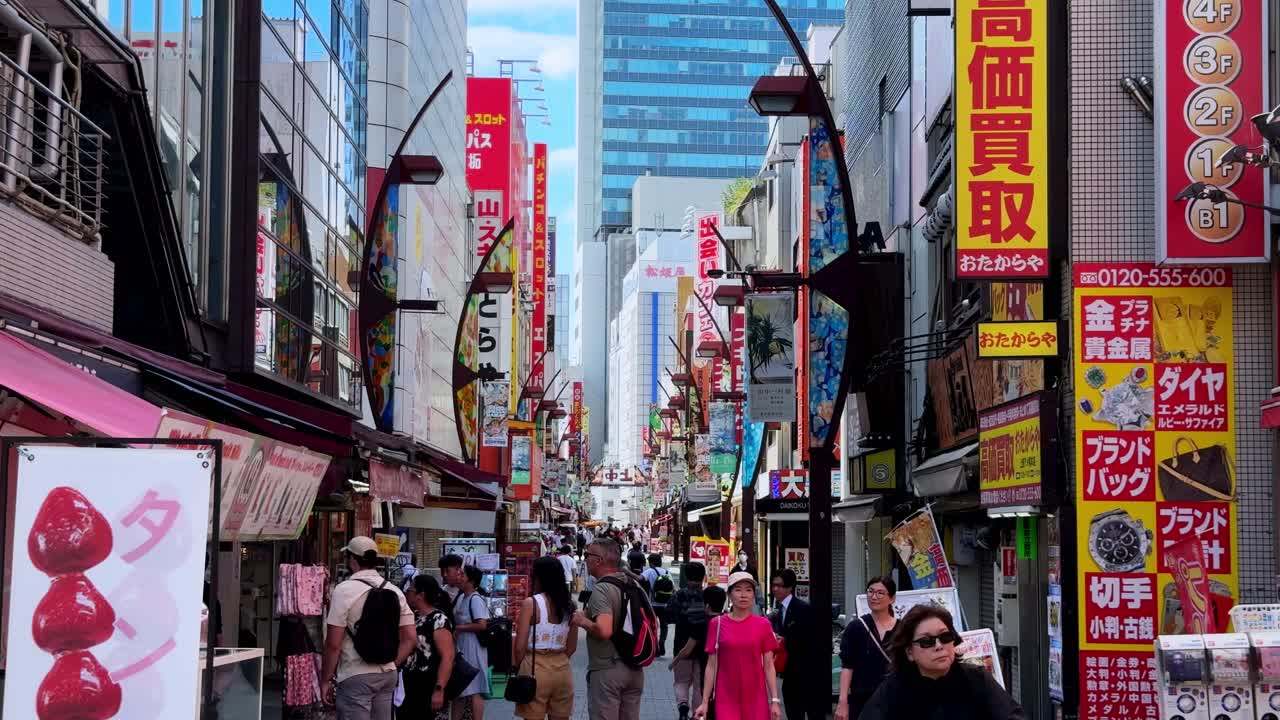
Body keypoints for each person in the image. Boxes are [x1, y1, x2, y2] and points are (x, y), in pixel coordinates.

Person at [859, 606, 1024, 720]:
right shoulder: (894, 688)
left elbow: (1013, 716)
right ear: (909, 652)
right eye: (926, 641)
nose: (938, 646)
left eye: (945, 637)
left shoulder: (976, 679)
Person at [320, 537, 416, 720]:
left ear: (352, 560)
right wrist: (391, 664)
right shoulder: (394, 591)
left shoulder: (343, 590)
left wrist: (325, 680)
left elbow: (333, 644)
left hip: (355, 674)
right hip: (387, 676)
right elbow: (411, 638)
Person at [571, 538, 645, 719]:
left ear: (599, 560)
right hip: (635, 669)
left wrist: (582, 621)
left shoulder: (602, 588)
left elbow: (604, 631)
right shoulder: (634, 585)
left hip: (608, 669)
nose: (585, 558)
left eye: (588, 555)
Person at [694, 572, 781, 720]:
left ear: (754, 595)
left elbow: (768, 665)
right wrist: (704, 702)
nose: (743, 595)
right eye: (738, 589)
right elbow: (711, 665)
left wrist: (774, 700)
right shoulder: (717, 624)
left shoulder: (763, 625)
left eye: (748, 590)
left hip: (756, 699)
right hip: (725, 698)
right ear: (729, 594)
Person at [512, 556, 578, 720]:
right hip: (562, 669)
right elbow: (572, 647)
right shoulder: (570, 605)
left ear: (538, 577)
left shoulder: (531, 603)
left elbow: (519, 647)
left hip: (535, 667)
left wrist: (521, 666)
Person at [835, 577, 899, 720]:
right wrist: (843, 701)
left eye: (880, 593)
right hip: (861, 699)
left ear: (892, 598)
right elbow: (847, 666)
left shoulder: (903, 629)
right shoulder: (856, 627)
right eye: (870, 591)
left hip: (894, 699)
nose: (874, 596)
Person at [770, 568, 826, 720]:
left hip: (806, 671)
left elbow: (812, 640)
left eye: (780, 585)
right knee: (793, 712)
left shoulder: (803, 609)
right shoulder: (778, 611)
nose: (775, 589)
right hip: (788, 673)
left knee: (811, 711)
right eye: (773, 585)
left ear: (790, 587)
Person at [401, 574, 456, 720]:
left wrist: (439, 689)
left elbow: (448, 657)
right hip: (408, 684)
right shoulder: (413, 617)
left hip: (427, 684)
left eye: (410, 590)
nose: (407, 594)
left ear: (421, 595)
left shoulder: (439, 620)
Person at [666, 563, 710, 720]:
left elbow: (668, 617)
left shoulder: (678, 595)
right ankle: (697, 715)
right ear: (703, 577)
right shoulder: (707, 596)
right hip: (703, 645)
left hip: (681, 642)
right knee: (699, 684)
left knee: (681, 681)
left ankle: (682, 706)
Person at [451, 564, 489, 720]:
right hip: (461, 646)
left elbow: (482, 624)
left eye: (462, 575)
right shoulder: (461, 597)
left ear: (471, 581)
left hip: (473, 646)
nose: (459, 577)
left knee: (474, 687)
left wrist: (459, 628)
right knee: (460, 688)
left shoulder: (475, 599)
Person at [642, 553, 672, 656]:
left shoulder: (649, 571)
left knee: (652, 625)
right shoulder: (667, 572)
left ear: (651, 562)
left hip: (652, 604)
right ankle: (662, 642)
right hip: (665, 605)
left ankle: (654, 645)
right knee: (664, 625)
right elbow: (673, 588)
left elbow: (640, 578)